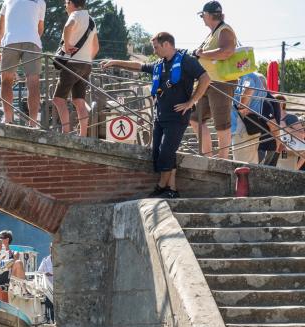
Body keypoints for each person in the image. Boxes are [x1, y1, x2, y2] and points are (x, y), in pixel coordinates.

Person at [103, 33, 210, 199]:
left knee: (165, 152)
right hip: (160, 116)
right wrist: (115, 62)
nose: (155, 50)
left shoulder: (186, 60)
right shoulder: (160, 64)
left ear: (167, 44)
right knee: (160, 153)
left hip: (177, 116)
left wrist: (191, 102)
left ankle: (160, 187)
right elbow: (138, 66)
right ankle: (172, 189)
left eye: (156, 47)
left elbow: (205, 78)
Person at [190, 2, 237, 159]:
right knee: (195, 119)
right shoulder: (214, 33)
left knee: (221, 123)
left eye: (202, 15)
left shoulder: (224, 30)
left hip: (221, 82)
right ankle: (208, 155)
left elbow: (227, 51)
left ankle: (223, 159)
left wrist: (202, 54)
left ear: (208, 15)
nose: (202, 18)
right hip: (208, 82)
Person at [0, 0, 46, 127]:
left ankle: (8, 119)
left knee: (6, 80)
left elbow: (0, 27)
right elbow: (40, 28)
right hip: (32, 41)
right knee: (33, 82)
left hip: (11, 40)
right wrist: (31, 38)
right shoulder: (41, 2)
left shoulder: (8, 1)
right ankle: (33, 122)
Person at [52, 0, 99, 137]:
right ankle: (83, 135)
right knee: (79, 101)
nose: (65, 6)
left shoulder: (74, 15)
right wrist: (86, 59)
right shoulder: (91, 20)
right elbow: (96, 47)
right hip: (86, 65)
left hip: (72, 64)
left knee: (58, 100)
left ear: (72, 3)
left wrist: (66, 46)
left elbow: (68, 27)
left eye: (66, 3)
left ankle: (65, 133)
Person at [231, 71, 268, 165]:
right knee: (250, 161)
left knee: (242, 163)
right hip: (249, 126)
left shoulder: (248, 76)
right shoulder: (251, 77)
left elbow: (249, 88)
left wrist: (241, 107)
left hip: (243, 127)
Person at [274, 95, 305, 171]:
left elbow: (302, 135)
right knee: (282, 170)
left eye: (273, 103)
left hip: (292, 150)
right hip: (280, 151)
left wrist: (286, 128)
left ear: (281, 104)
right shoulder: (273, 118)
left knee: (287, 171)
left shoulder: (291, 118)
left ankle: (294, 171)